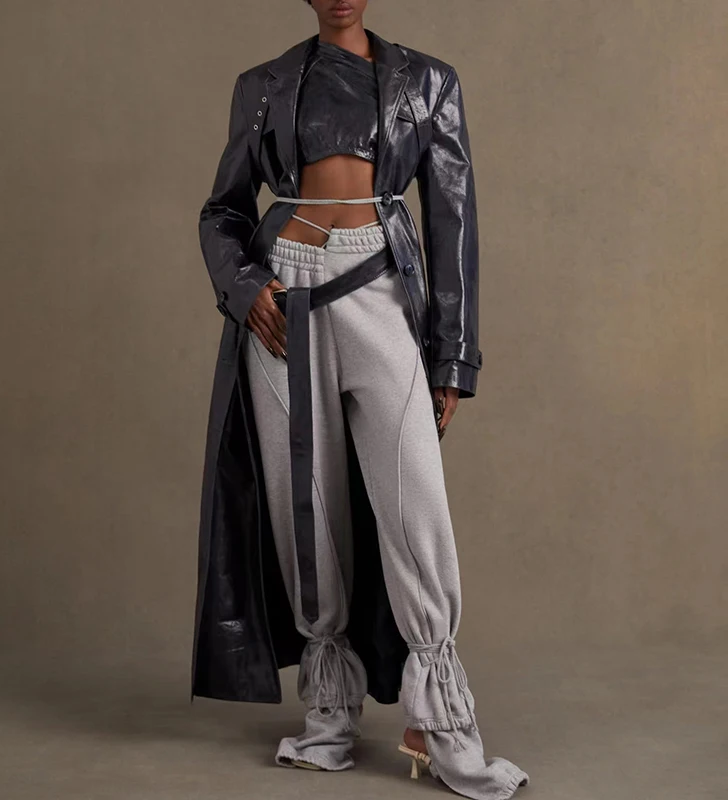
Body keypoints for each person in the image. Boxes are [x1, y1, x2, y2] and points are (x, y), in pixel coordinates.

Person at [194, 2, 530, 798]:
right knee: (304, 512)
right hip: (285, 305)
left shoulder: (428, 82)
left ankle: (443, 724)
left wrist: (451, 354)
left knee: (416, 505)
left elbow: (452, 219)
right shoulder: (264, 85)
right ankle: (328, 719)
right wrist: (246, 289)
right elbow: (224, 211)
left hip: (380, 287)